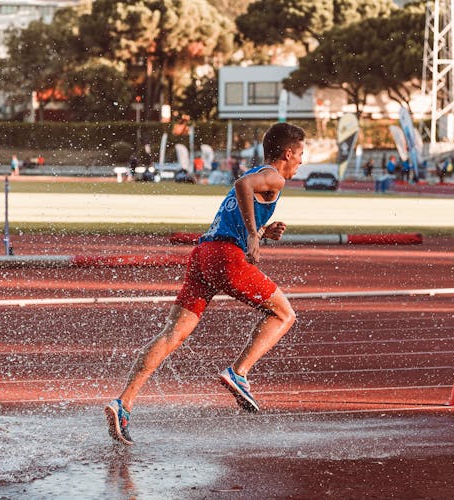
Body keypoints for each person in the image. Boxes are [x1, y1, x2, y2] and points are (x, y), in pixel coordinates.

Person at [105, 122, 305, 444]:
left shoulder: (262, 174)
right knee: (284, 314)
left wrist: (262, 232)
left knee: (172, 334)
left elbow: (235, 214)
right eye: (300, 155)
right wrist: (255, 234)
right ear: (287, 153)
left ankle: (123, 403)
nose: (301, 162)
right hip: (225, 257)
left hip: (203, 255)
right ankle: (238, 373)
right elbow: (241, 185)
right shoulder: (274, 176)